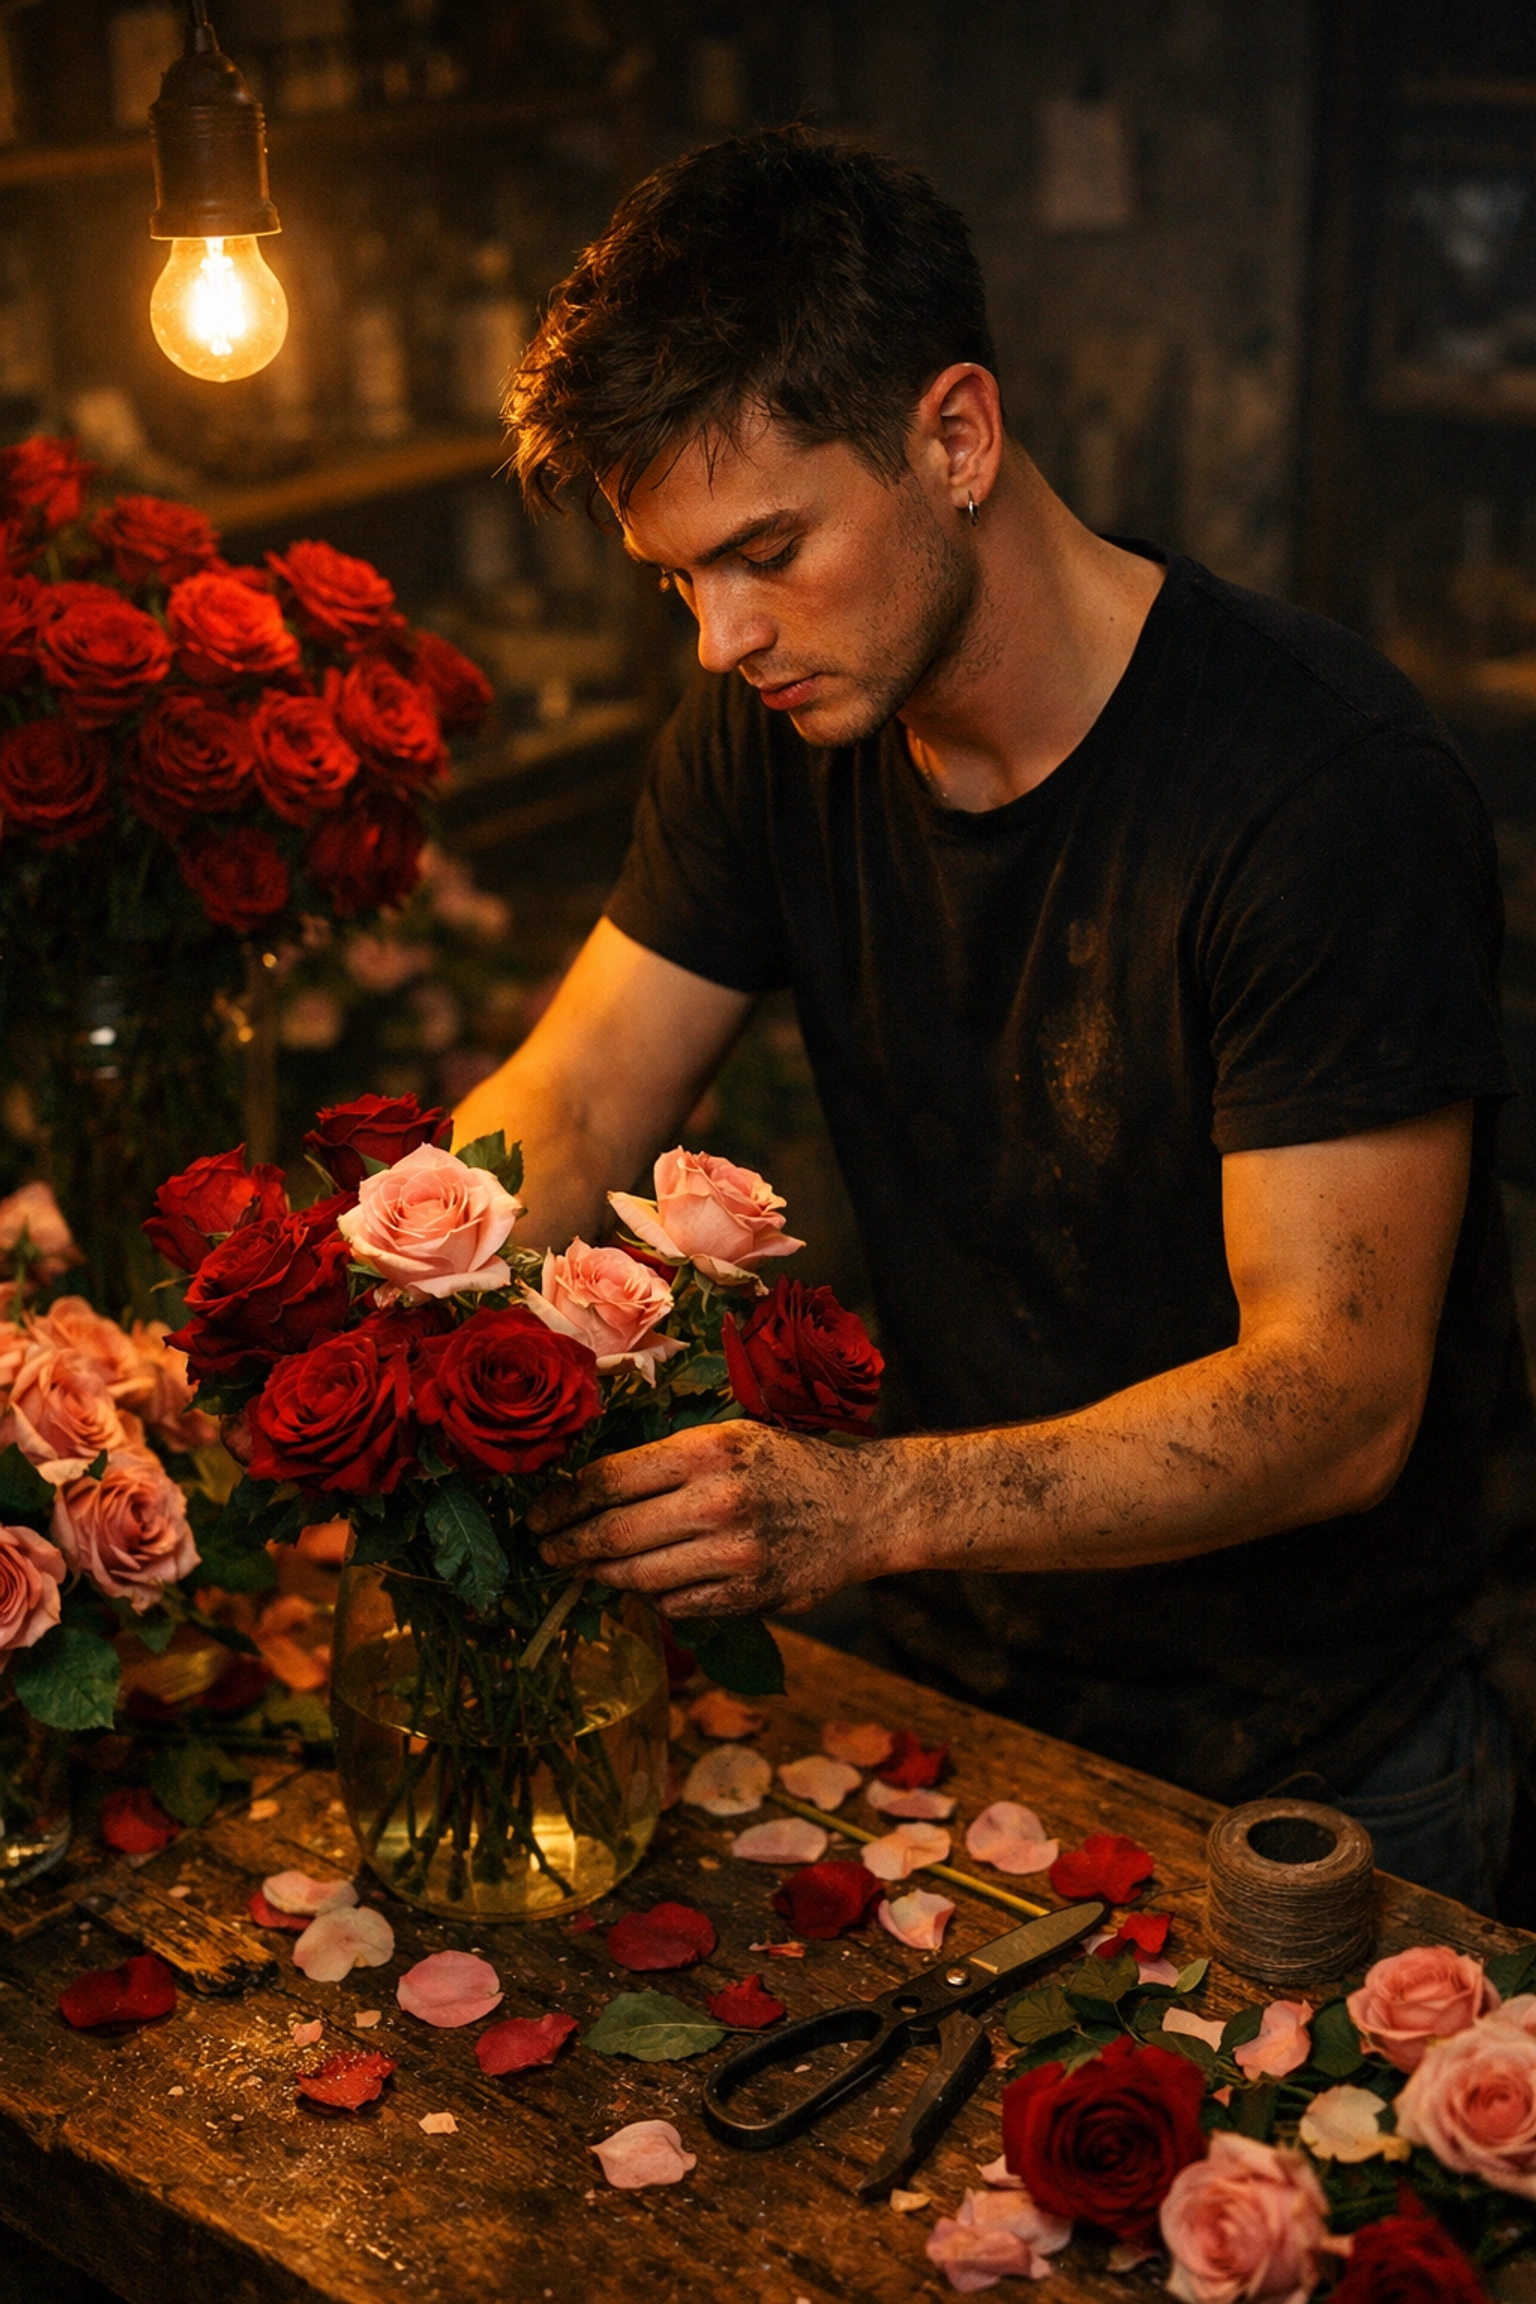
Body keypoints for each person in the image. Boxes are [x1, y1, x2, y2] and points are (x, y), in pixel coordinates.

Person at [454, 125, 1536, 1912]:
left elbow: (1336, 1397)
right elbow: (571, 1108)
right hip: (952, 1692)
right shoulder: (772, 727)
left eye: (769, 549)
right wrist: (330, 1323)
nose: (720, 639)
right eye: (678, 583)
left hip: (1319, 1758)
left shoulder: (1317, 786)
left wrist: (857, 1509)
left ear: (955, 437)